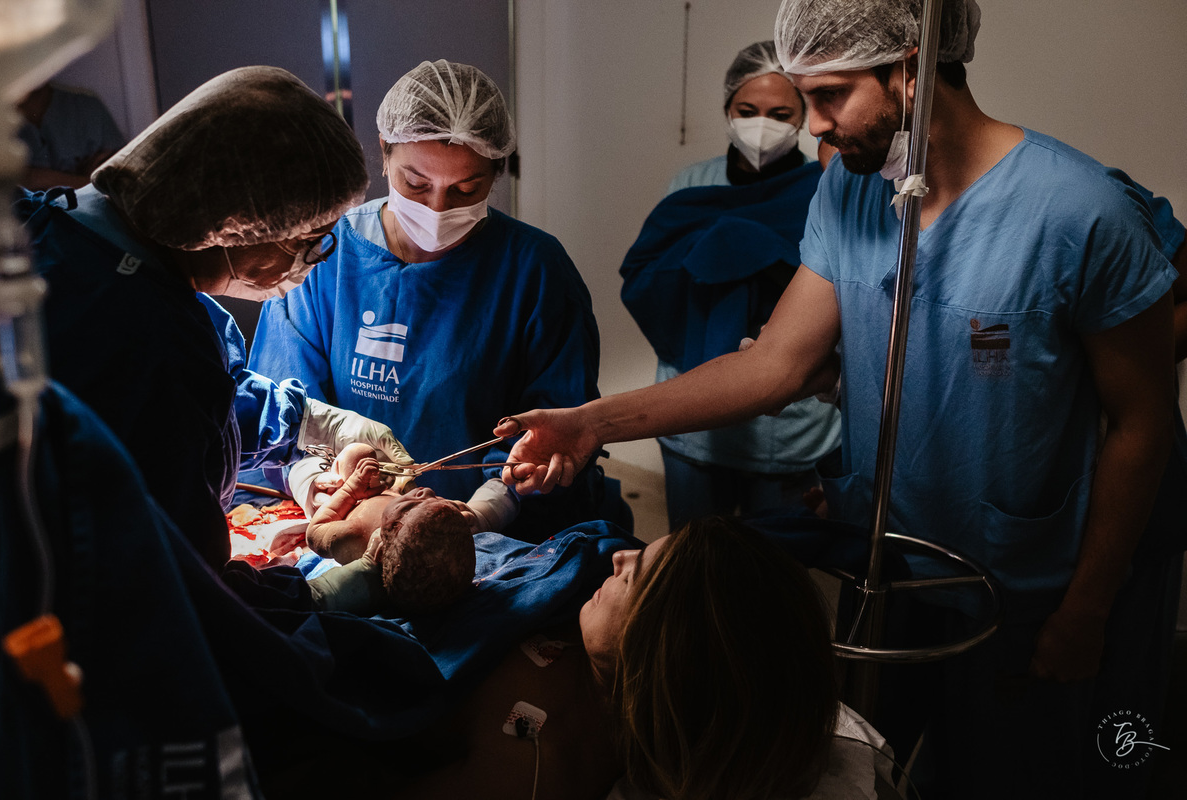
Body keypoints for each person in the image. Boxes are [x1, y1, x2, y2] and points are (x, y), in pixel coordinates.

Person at [494, 1, 1186, 797]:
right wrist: (590, 423)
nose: (814, 125)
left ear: (911, 69)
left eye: (829, 96)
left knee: (1004, 770)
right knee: (865, 755)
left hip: (1018, 578)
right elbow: (776, 366)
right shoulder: (852, 194)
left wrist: (1088, 607)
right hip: (886, 557)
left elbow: (1140, 423)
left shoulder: (1079, 213)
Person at [17, 66, 415, 571]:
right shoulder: (153, 341)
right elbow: (183, 589)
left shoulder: (64, 231)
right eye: (308, 240)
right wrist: (323, 594)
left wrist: (307, 421)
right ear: (235, 224)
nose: (314, 260)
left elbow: (192, 415)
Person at [249, 59, 609, 544]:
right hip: (346, 518)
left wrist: (485, 511)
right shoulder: (326, 253)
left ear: (496, 173)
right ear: (384, 152)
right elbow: (278, 405)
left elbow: (558, 421)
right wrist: (319, 487)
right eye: (416, 184)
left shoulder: (536, 270)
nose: (437, 209)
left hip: (494, 541)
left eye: (466, 189)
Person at [387, 516, 844, 800]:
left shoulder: (534, 768)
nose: (619, 556)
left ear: (660, 653)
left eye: (633, 576)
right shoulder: (590, 636)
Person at [621, 40, 841, 530]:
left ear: (803, 116)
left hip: (788, 429)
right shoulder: (692, 184)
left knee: (775, 563)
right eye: (747, 110)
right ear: (727, 109)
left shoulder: (827, 188)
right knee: (693, 560)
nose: (762, 125)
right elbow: (654, 285)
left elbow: (839, 295)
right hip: (693, 421)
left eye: (780, 114)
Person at [302, 443, 475, 615]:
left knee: (358, 453)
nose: (427, 491)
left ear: (378, 550)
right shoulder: (419, 535)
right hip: (390, 489)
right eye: (434, 498)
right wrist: (451, 512)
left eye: (408, 507)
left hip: (348, 499)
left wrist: (349, 491)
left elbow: (315, 532)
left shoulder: (355, 534)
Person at [15, 81, 126, 191]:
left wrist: (41, 178)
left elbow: (118, 182)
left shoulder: (87, 107)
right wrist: (83, 180)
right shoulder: (6, 124)